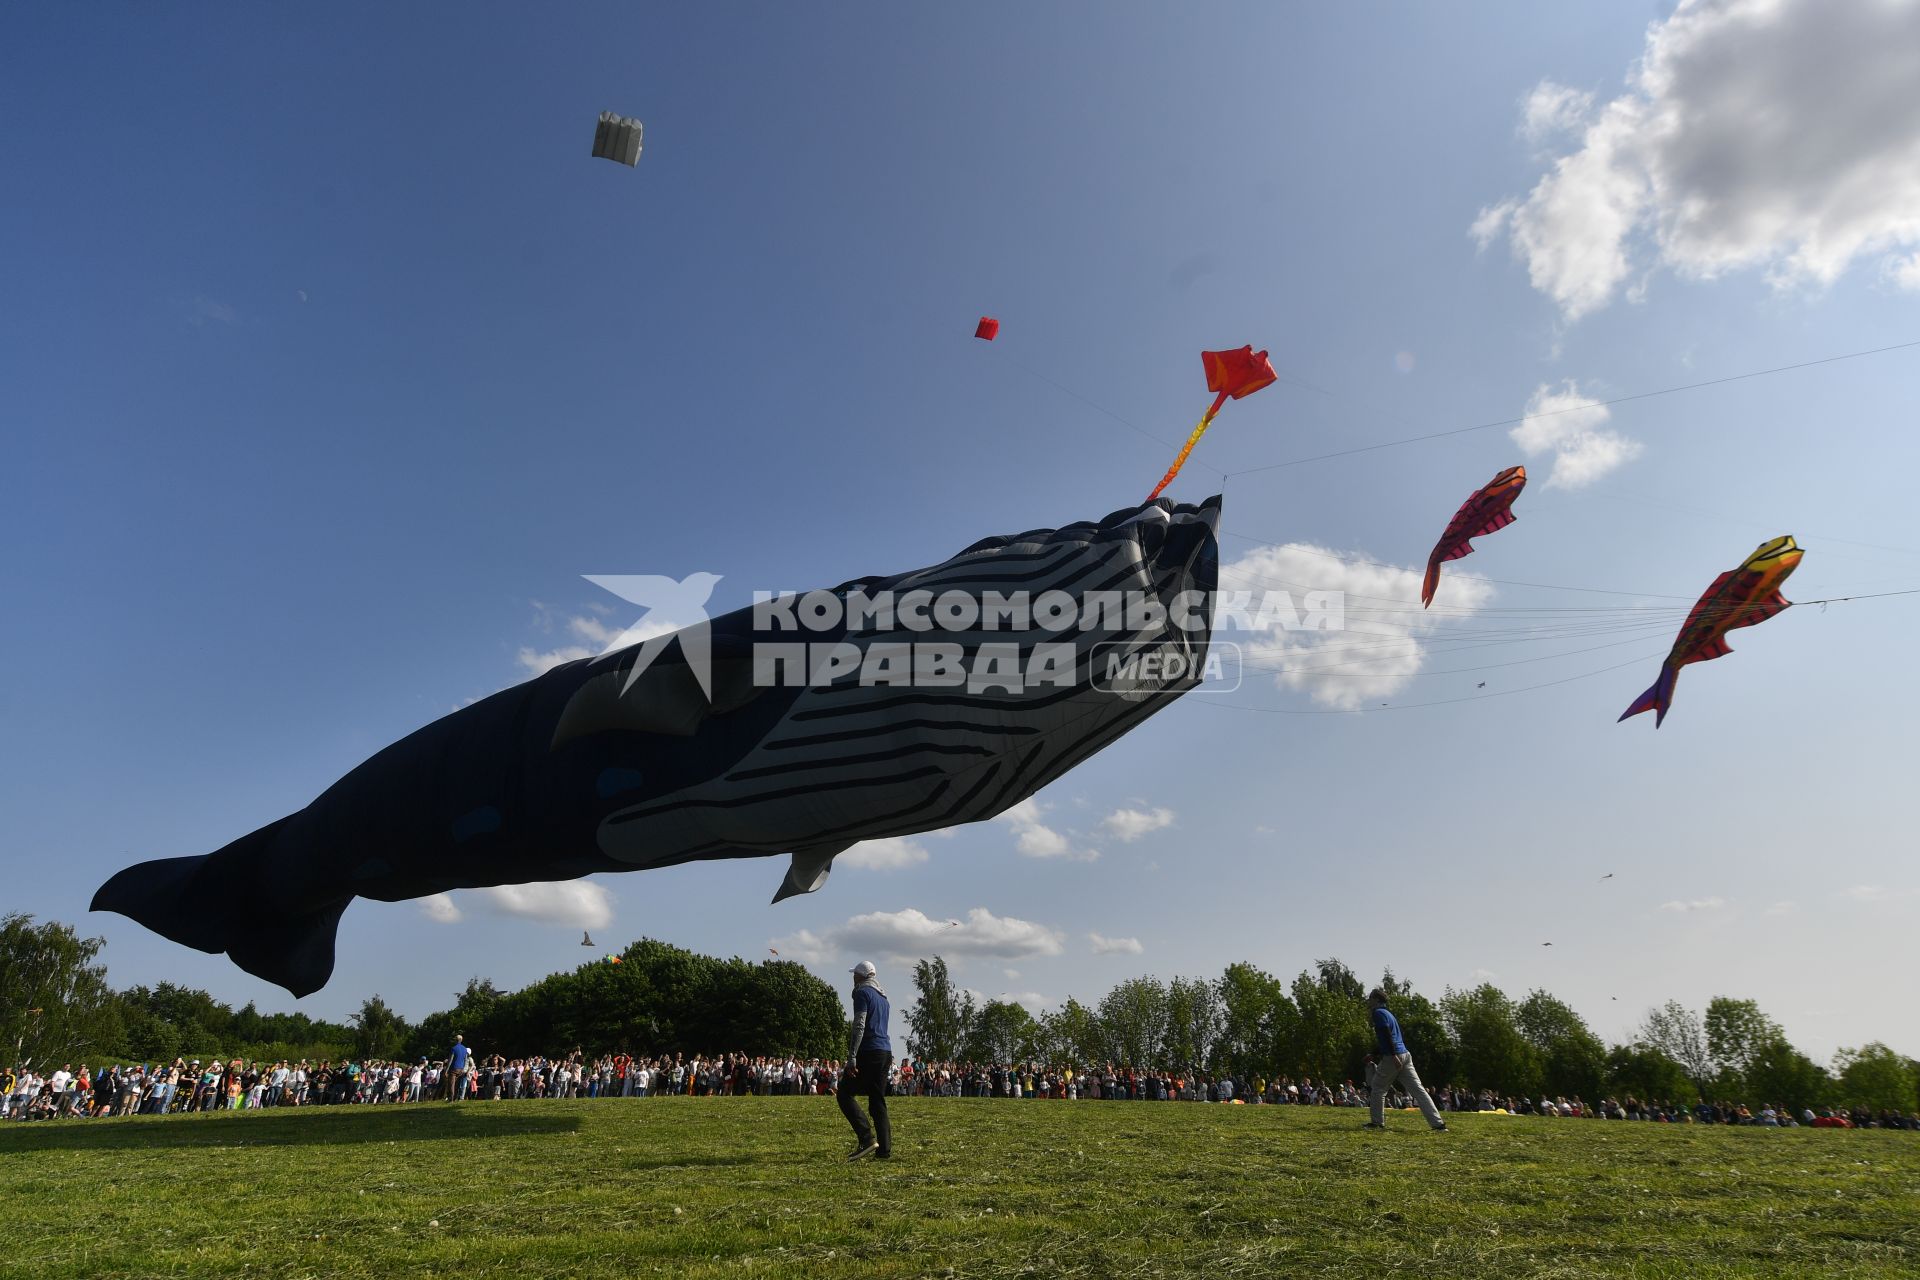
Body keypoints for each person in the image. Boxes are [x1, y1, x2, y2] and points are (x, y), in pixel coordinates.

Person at [1363, 988, 1447, 1132]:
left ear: (1377, 1000)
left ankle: (1377, 1123)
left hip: (1393, 1056)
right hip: (1405, 1055)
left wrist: (1393, 1055)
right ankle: (1439, 1125)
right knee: (1419, 1091)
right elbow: (1391, 1037)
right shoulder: (1389, 1014)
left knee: (1377, 1087)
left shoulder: (1378, 1013)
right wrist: (1374, 1053)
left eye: (1370, 998)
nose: (1369, 1000)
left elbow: (1386, 1034)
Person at [837, 960, 893, 1161]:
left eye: (855, 975)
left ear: (861, 976)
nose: (853, 978)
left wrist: (852, 1056)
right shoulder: (883, 997)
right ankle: (884, 1150)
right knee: (877, 1100)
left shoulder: (862, 993)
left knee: (844, 1093)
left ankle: (866, 1138)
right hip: (885, 1051)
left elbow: (859, 1025)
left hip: (869, 1051)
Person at [446, 1035, 472, 1101]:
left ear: (455, 1040)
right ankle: (455, 1098)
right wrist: (463, 1068)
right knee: (457, 1084)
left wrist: (446, 1070)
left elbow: (450, 1060)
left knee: (451, 1084)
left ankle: (451, 1099)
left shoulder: (454, 1048)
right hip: (461, 1069)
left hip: (454, 1068)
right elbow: (465, 1059)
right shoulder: (464, 1049)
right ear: (461, 1040)